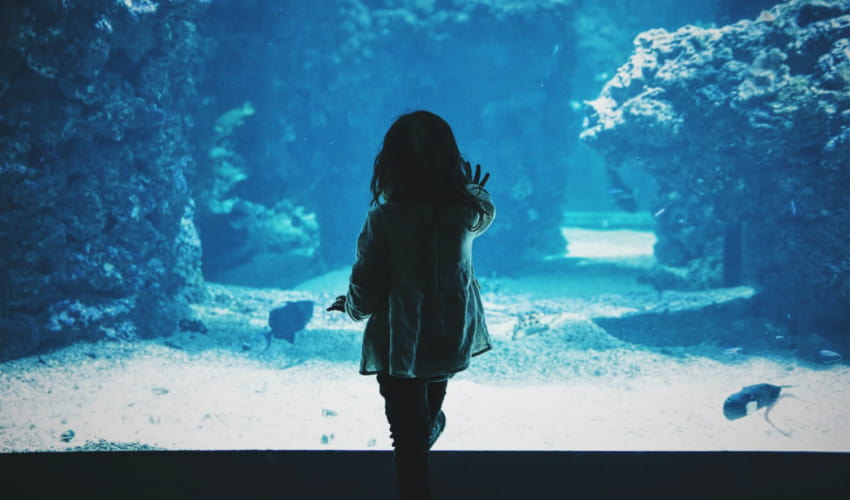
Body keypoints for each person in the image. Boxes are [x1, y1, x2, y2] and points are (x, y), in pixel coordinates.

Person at [327, 110, 495, 500]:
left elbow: (366, 285)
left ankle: (421, 447)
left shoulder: (384, 219)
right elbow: (485, 210)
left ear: (390, 163)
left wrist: (350, 308)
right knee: (422, 421)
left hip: (398, 343)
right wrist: (471, 190)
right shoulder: (465, 212)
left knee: (407, 439)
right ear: (451, 159)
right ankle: (429, 426)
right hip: (447, 337)